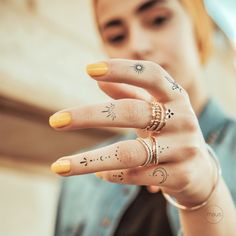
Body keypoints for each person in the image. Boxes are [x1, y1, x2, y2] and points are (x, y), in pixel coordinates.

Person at [49, 0, 236, 235]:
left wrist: (205, 194)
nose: (137, 46)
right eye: (116, 36)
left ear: (198, 28)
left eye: (158, 20)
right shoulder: (82, 178)